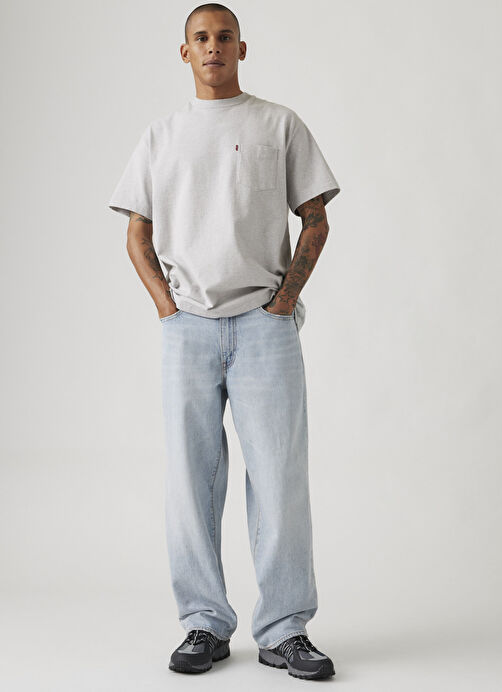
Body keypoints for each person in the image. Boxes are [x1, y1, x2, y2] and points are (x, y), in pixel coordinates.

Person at [108, 2, 340, 681]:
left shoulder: (278, 124)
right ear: (185, 53)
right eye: (201, 38)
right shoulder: (162, 136)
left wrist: (283, 302)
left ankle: (285, 629)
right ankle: (204, 623)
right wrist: (167, 309)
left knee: (279, 479)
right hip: (187, 329)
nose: (213, 46)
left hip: (265, 328)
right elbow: (136, 232)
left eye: (225, 36)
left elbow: (316, 219)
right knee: (191, 480)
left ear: (243, 47)